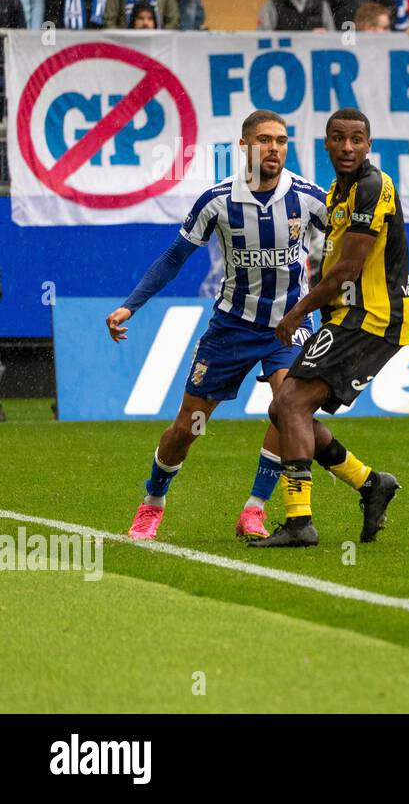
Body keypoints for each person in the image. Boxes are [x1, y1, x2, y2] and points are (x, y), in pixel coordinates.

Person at [107, 111, 329, 542]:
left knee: (290, 409)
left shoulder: (308, 197)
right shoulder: (217, 200)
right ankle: (153, 502)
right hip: (232, 327)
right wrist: (131, 306)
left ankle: (255, 508)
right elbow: (174, 257)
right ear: (244, 145)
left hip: (288, 325)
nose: (274, 148)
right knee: (189, 426)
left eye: (281, 140)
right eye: (264, 139)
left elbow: (356, 241)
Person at [258, 108, 409, 549]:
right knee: (285, 409)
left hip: (371, 318)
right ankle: (370, 483)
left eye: (356, 139)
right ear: (325, 143)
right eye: (339, 138)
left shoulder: (373, 186)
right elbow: (331, 263)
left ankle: (299, 522)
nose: (347, 147)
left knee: (291, 403)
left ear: (368, 145)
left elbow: (348, 267)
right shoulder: (336, 193)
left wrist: (296, 313)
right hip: (348, 317)